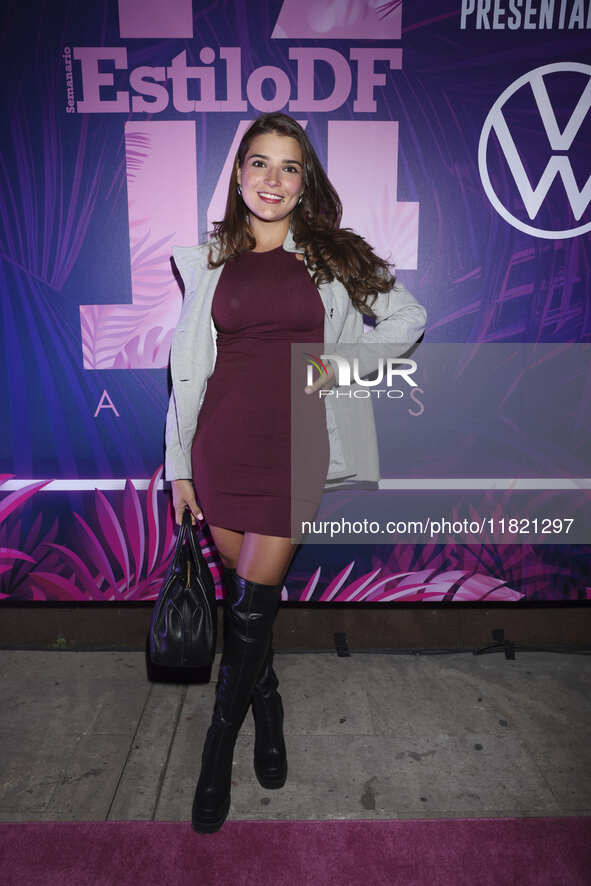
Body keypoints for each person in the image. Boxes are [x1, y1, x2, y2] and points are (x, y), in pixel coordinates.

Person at [164, 112, 427, 833]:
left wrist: (335, 367)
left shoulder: (332, 257)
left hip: (297, 445)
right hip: (220, 443)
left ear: (303, 181)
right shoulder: (207, 262)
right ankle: (268, 706)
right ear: (239, 174)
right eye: (258, 163)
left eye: (288, 166)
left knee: (249, 606)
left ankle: (218, 748)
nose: (271, 179)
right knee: (249, 609)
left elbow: (408, 318)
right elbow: (186, 373)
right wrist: (179, 465)